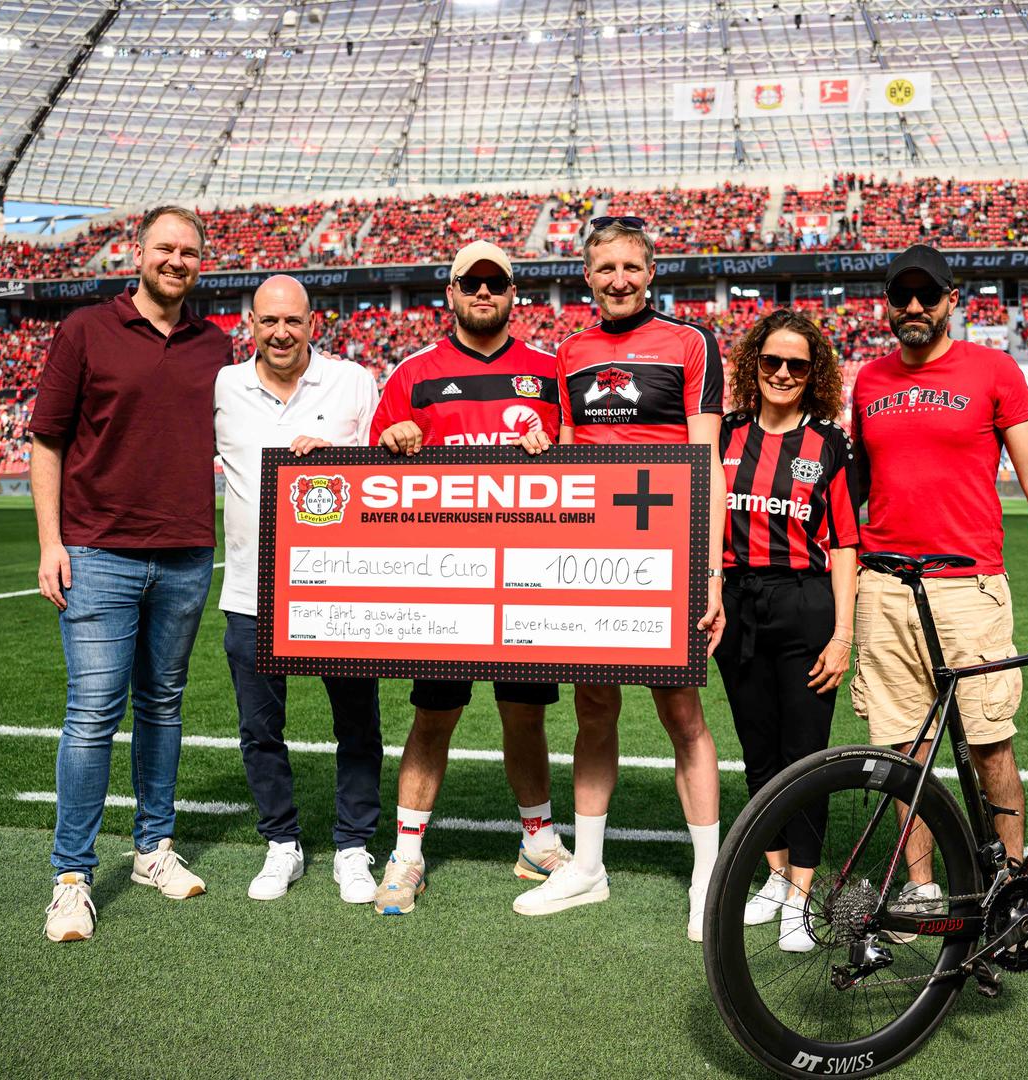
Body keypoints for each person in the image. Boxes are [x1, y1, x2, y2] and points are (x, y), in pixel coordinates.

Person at [846, 244, 1028, 936]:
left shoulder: (992, 370)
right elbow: (856, 491)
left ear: (952, 299)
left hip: (966, 589)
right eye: (900, 297)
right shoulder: (868, 381)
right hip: (885, 589)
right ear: (887, 304)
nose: (912, 309)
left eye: (925, 296)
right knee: (900, 751)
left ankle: (1011, 885)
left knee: (989, 742)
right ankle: (925, 888)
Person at [512, 215, 727, 942]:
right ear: (588, 275)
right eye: (605, 269)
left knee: (683, 717)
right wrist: (545, 447)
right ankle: (589, 867)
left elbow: (708, 467)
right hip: (592, 559)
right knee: (593, 710)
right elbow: (571, 455)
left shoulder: (692, 343)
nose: (619, 280)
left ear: (651, 271)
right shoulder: (569, 354)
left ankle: (708, 876)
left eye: (631, 267)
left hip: (667, 556)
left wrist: (708, 577)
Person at [30, 206, 232, 943]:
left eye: (189, 252)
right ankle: (72, 877)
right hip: (97, 554)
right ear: (138, 252)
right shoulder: (86, 329)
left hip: (185, 553)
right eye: (165, 248)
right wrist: (51, 542)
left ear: (201, 263)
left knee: (164, 707)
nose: (176, 261)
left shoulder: (219, 344)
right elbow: (47, 441)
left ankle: (152, 849)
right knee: (91, 715)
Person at [367, 241, 573, 916]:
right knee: (434, 718)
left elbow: (582, 469)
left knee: (525, 716)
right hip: (446, 583)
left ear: (516, 293)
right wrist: (393, 444)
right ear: (449, 292)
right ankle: (406, 853)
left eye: (497, 282)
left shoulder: (550, 373)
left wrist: (557, 451)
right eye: (471, 282)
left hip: (527, 578)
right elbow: (372, 475)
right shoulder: (413, 374)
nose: (484, 293)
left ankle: (538, 839)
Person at [215, 275, 384, 907]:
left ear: (313, 322)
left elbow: (385, 471)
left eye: (293, 320)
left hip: (339, 592)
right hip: (250, 592)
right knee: (260, 729)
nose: (281, 332)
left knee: (358, 726)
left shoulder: (354, 381)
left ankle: (352, 846)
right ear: (250, 324)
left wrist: (337, 454)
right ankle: (281, 842)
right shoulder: (225, 387)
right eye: (268, 321)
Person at [714, 310, 859, 954]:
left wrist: (842, 636)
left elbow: (848, 546)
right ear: (753, 365)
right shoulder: (724, 436)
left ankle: (802, 896)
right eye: (771, 361)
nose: (781, 373)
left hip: (804, 603)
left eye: (796, 365)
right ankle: (773, 877)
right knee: (758, 751)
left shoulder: (828, 445)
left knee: (805, 755)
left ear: (813, 374)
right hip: (738, 603)